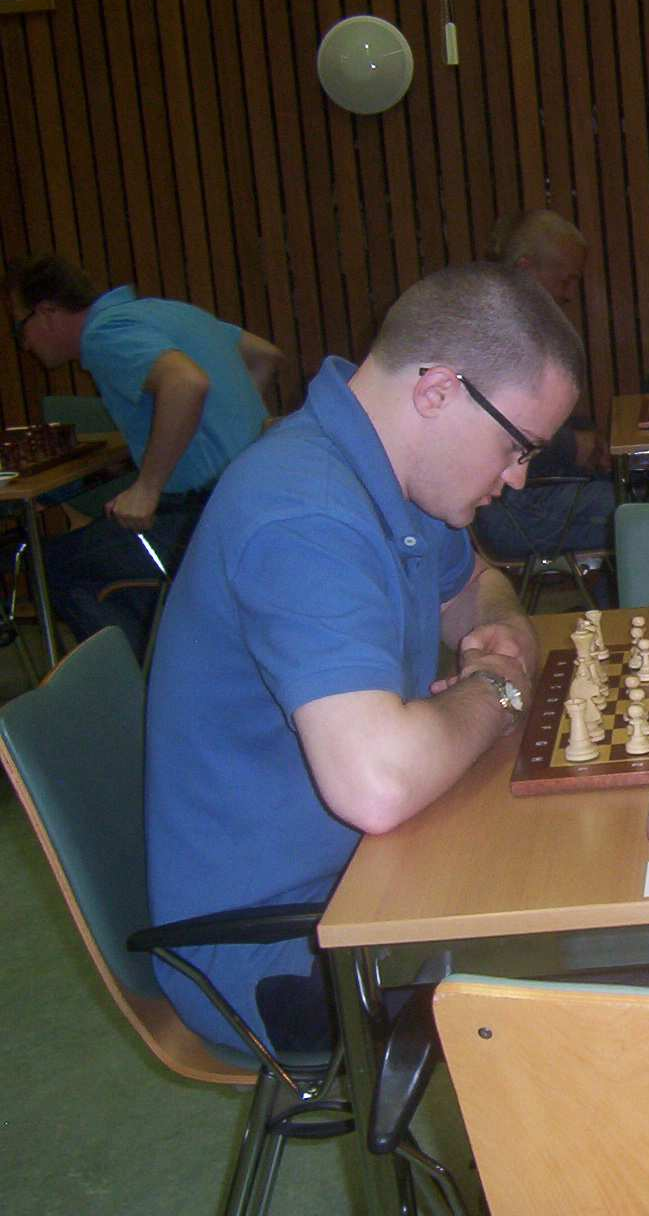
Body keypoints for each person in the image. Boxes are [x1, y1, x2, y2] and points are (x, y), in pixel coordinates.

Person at [144, 262, 581, 1053]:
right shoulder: (302, 512)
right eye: (518, 446)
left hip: (381, 873)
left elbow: (474, 583)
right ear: (438, 391)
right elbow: (379, 785)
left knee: (602, 903)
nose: (518, 480)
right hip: (282, 947)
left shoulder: (387, 472)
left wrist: (502, 622)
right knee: (623, 986)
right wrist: (495, 689)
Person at [5, 255, 281, 654]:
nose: (25, 344)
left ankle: (144, 688)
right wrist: (234, 429)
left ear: (47, 311)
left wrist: (148, 489)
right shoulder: (163, 311)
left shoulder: (104, 334)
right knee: (98, 548)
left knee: (51, 565)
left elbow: (185, 383)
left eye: (20, 328)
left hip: (207, 516)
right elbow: (264, 355)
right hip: (250, 501)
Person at [473, 209, 617, 564]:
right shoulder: (493, 339)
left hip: (526, 498)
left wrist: (586, 437)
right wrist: (573, 446)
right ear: (525, 271)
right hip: (509, 511)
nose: (569, 294)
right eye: (565, 281)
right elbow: (490, 438)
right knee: (642, 518)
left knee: (642, 506)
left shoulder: (510, 327)